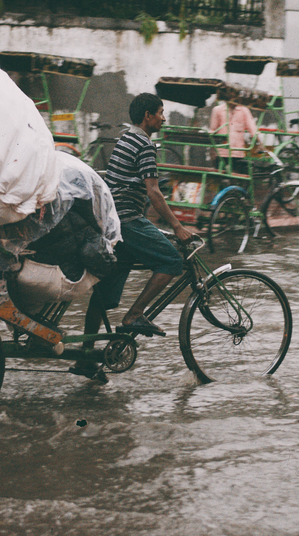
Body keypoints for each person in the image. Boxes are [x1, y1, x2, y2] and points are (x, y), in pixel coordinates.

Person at [71, 93, 195, 382]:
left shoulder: (127, 138)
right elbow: (153, 192)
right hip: (127, 219)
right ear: (148, 116)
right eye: (161, 113)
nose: (164, 118)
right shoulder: (145, 144)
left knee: (103, 297)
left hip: (112, 222)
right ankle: (135, 314)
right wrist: (177, 226)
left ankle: (86, 358)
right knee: (171, 261)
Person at [209, 94, 258, 174]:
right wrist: (212, 150)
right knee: (220, 175)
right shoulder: (217, 110)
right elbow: (213, 130)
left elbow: (253, 128)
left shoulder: (244, 110)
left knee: (239, 175)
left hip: (237, 152)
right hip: (222, 151)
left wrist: (259, 142)